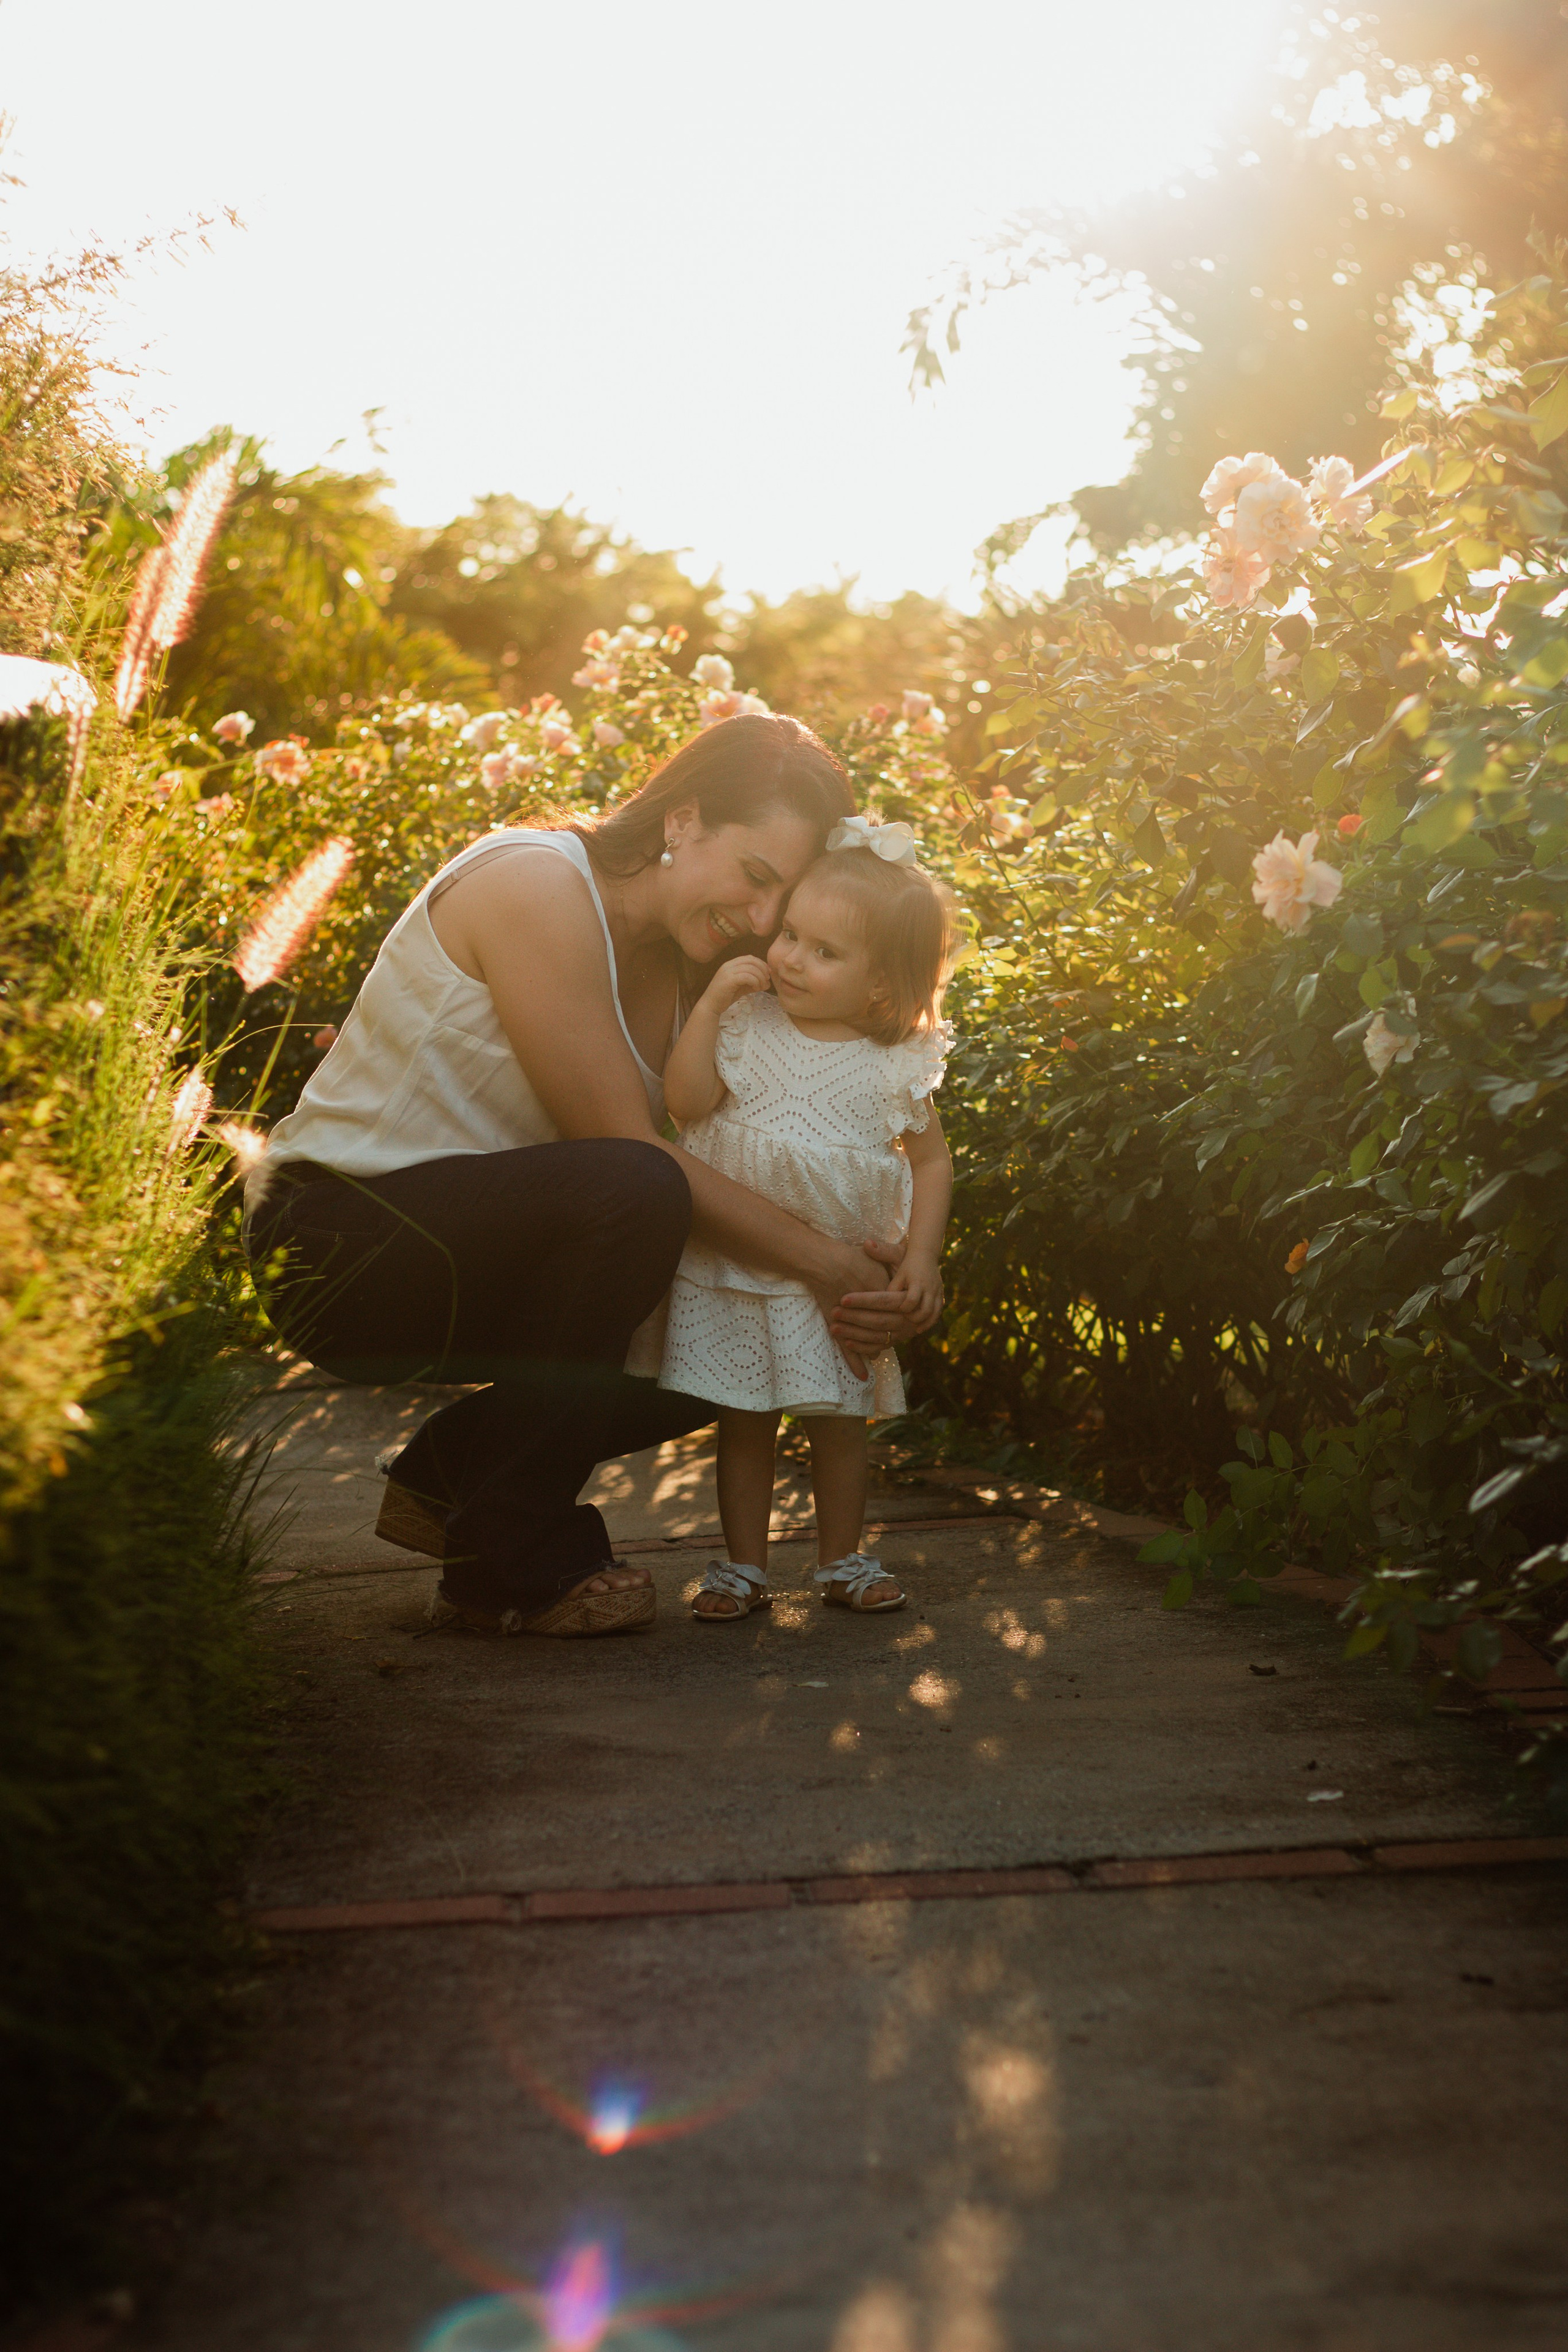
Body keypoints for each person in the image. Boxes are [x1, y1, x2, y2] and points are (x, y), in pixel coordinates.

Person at [243, 715, 941, 1639]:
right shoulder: (533, 882)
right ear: (683, 820)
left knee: (745, 1333)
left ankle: (451, 1482)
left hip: (483, 1247)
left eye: (785, 900)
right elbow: (628, 1156)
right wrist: (823, 1260)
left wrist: (887, 1270)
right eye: (757, 877)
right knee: (644, 1194)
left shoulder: (689, 967)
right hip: (344, 1241)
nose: (766, 923)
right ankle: (516, 1555)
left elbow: (740, 1157)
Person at [635, 815, 956, 1620]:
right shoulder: (746, 1024)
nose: (790, 958)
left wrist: (922, 1258)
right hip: (739, 1266)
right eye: (793, 937)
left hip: (837, 1275)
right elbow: (685, 1105)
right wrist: (710, 1007)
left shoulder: (894, 1060)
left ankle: (842, 1558)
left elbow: (932, 1160)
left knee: (840, 1421)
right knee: (745, 1420)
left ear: (881, 982)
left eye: (825, 952)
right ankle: (742, 1567)